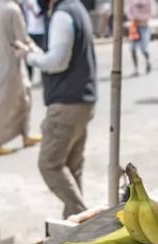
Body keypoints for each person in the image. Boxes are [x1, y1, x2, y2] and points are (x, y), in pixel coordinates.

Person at [13, 0, 97, 217]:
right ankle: (73, 223)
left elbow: (58, 61)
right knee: (71, 166)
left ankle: (83, 216)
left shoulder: (63, 14)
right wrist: (35, 51)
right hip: (82, 101)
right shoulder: (76, 8)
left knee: (49, 164)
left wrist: (28, 57)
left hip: (66, 105)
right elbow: (59, 53)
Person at [0, 0, 41, 155]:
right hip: (10, 61)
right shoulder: (12, 9)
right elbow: (23, 38)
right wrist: (40, 54)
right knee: (5, 102)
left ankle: (25, 133)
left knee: (22, 96)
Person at [22, 0, 46, 79]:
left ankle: (44, 76)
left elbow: (39, 14)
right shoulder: (26, 1)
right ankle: (29, 77)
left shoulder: (41, 2)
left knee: (42, 55)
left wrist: (32, 8)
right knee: (28, 55)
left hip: (40, 31)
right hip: (30, 31)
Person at [127, 0, 153, 75]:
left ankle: (148, 61)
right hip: (134, 27)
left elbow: (150, 14)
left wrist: (138, 17)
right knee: (132, 48)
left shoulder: (149, 1)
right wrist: (133, 18)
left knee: (144, 48)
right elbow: (129, 13)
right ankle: (136, 69)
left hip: (144, 27)